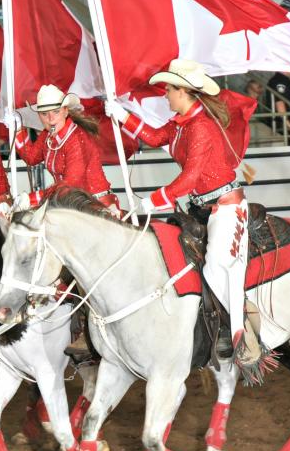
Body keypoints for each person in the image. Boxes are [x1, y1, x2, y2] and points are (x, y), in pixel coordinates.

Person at [105, 58, 261, 370]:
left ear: (183, 92)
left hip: (226, 206)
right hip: (203, 207)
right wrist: (122, 115)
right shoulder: (184, 124)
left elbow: (190, 178)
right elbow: (155, 137)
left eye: (169, 90)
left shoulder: (200, 127)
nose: (165, 96)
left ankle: (243, 336)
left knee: (217, 267)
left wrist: (152, 202)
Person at [13, 84, 119, 213]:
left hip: (95, 204)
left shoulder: (77, 138)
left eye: (56, 111)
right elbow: (31, 157)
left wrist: (32, 198)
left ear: (65, 111)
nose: (51, 119)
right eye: (44, 114)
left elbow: (71, 184)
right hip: (70, 203)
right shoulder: (47, 135)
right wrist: (18, 130)